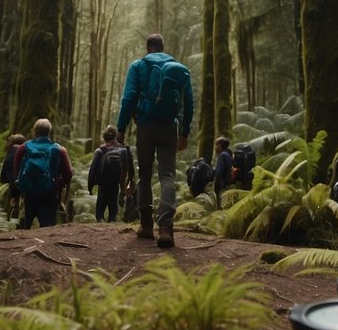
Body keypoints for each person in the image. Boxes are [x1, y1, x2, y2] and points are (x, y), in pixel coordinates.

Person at [116, 33, 194, 248]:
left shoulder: (138, 66)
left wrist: (121, 128)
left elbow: (128, 98)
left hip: (146, 126)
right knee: (167, 174)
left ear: (147, 47)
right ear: (163, 47)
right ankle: (166, 228)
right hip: (170, 126)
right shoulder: (178, 68)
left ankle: (146, 226)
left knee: (145, 176)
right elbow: (189, 102)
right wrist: (185, 132)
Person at [12, 118, 73, 229]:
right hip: (50, 193)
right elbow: (68, 174)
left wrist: (19, 190)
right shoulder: (59, 149)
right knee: (47, 228)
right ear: (49, 132)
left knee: (26, 227)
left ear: (34, 131)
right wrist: (61, 185)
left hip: (28, 193)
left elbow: (16, 173)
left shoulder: (23, 148)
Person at [88, 125, 134, 223]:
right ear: (115, 137)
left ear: (104, 138)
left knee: (99, 213)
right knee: (113, 213)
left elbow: (92, 171)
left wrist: (90, 187)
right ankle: (111, 228)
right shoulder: (122, 151)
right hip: (115, 186)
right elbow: (126, 171)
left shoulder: (100, 151)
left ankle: (101, 227)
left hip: (103, 186)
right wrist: (123, 190)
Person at [0, 133, 26, 221]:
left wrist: (6, 180)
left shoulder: (9, 154)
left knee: (12, 203)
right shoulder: (25, 151)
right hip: (24, 183)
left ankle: (10, 221)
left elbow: (3, 173)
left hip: (12, 185)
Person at [212, 136, 233, 206]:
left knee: (220, 204)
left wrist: (213, 175)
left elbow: (219, 172)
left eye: (216, 145)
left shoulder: (222, 155)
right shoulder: (228, 154)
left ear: (220, 145)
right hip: (227, 183)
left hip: (221, 184)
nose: (215, 147)